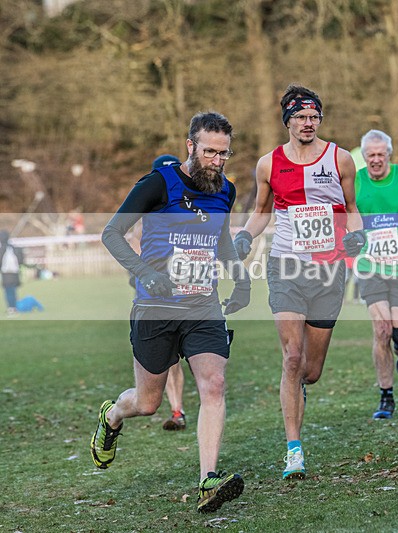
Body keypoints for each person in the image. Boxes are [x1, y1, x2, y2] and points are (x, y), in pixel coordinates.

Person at [94, 111, 250, 512]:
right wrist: (147, 272)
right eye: (209, 152)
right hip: (155, 307)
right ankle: (112, 416)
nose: (216, 160)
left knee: (213, 384)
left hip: (203, 304)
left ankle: (208, 481)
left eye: (223, 153)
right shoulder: (157, 184)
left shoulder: (224, 190)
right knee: (147, 403)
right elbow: (111, 233)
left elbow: (222, 241)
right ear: (190, 146)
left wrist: (242, 279)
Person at [233, 85, 364, 480]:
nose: (308, 124)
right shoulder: (268, 164)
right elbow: (260, 213)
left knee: (310, 370)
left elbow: (352, 209)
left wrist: (357, 236)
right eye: (301, 117)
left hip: (329, 270)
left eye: (314, 117)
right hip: (286, 266)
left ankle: (299, 389)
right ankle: (294, 449)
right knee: (291, 358)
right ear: (287, 120)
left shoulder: (339, 158)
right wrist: (244, 235)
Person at [353, 129, 398, 419]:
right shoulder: (354, 181)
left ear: (389, 155)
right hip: (370, 267)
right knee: (382, 330)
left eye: (381, 154)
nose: (376, 160)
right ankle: (386, 396)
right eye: (371, 155)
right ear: (364, 156)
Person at [149, 154, 190, 431]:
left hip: (188, 288)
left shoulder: (192, 204)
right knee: (164, 359)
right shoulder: (144, 203)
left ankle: (177, 410)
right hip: (153, 291)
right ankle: (164, 405)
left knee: (177, 358)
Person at [0, 230, 24, 317]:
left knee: (8, 291)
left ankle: (11, 308)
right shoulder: (14, 248)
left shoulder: (2, 249)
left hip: (6, 274)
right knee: (13, 291)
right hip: (15, 273)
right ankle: (14, 307)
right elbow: (21, 260)